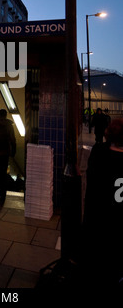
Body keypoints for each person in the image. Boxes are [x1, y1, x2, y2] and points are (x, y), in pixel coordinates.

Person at [80, 118, 123, 287]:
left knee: (97, 253)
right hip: (118, 216)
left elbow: (91, 177)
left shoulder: (99, 151)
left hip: (98, 212)